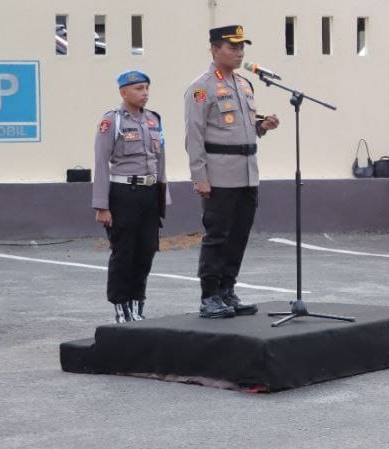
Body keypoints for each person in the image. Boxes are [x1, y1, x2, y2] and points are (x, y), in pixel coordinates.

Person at [185, 25, 280, 318]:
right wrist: (200, 177)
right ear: (214, 49)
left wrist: (261, 127)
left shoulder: (244, 84)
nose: (239, 53)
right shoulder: (201, 88)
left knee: (239, 235)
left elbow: (239, 128)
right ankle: (210, 296)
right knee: (218, 235)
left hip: (247, 172)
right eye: (232, 47)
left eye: (242, 48)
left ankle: (227, 290)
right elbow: (194, 136)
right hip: (220, 174)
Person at [93, 70, 168, 323]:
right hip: (124, 193)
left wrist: (162, 198)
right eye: (138, 89)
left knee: (146, 251)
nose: (144, 93)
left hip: (149, 193)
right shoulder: (112, 121)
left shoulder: (153, 120)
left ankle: (137, 305)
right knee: (123, 252)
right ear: (123, 92)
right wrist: (102, 205)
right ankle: (120, 307)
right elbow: (101, 162)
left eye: (146, 88)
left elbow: (160, 160)